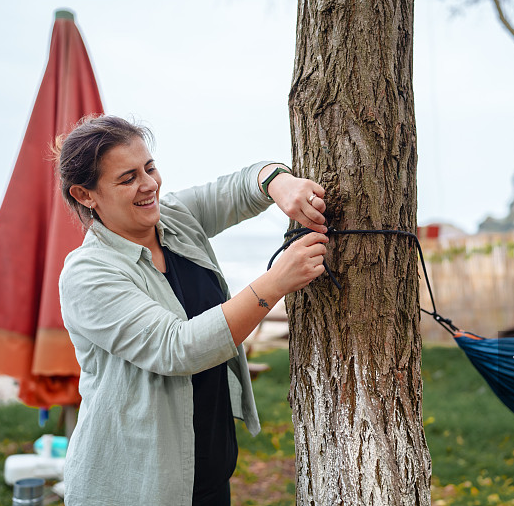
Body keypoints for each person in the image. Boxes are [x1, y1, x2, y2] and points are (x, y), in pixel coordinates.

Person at [56, 115, 329, 505]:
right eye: (128, 178)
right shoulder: (87, 274)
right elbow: (177, 348)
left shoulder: (176, 219)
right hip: (136, 487)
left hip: (209, 475)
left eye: (149, 167)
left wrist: (279, 183)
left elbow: (240, 187)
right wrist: (276, 282)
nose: (149, 184)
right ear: (86, 195)